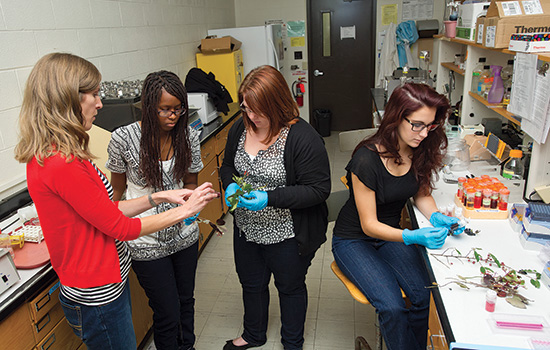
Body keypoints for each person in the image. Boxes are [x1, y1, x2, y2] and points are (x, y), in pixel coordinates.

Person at [14, 53, 218, 350]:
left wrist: (158, 196)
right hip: (96, 291)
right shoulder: (62, 162)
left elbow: (107, 208)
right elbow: (119, 226)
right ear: (66, 98)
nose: (99, 103)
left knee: (182, 303)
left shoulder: (66, 154)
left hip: (105, 284)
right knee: (166, 312)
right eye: (94, 94)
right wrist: (185, 210)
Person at [331, 83, 464, 350]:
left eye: (430, 126)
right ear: (395, 117)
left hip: (391, 235)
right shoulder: (366, 159)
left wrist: (437, 217)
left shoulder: (420, 150)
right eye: (417, 125)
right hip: (354, 240)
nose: (424, 133)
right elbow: (369, 225)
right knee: (391, 306)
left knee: (424, 296)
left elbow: (422, 195)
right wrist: (412, 235)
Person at [220, 65, 331, 350]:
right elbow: (228, 166)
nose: (252, 117)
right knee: (251, 284)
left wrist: (269, 198)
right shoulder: (240, 127)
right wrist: (229, 185)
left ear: (277, 105)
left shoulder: (302, 138)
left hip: (287, 234)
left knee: (290, 287)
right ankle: (253, 334)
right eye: (246, 108)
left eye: (258, 110)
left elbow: (318, 190)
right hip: (247, 229)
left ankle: (292, 342)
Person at [106, 70, 203, 350]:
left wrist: (194, 201)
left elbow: (191, 181)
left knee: (186, 301)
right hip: (144, 238)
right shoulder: (123, 139)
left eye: (178, 109)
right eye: (165, 110)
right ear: (149, 107)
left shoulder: (188, 136)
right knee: (167, 311)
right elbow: (117, 193)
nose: (173, 116)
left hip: (184, 234)